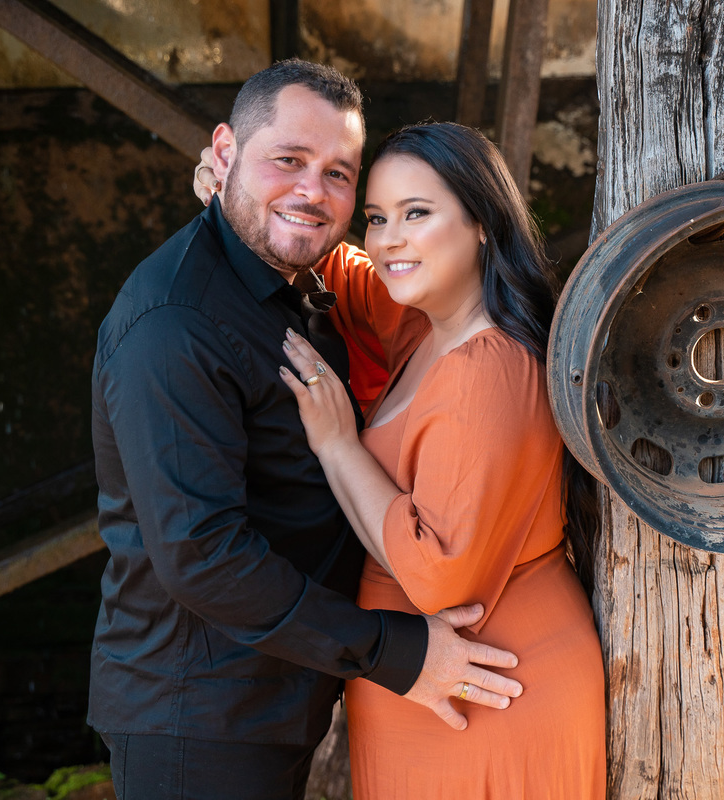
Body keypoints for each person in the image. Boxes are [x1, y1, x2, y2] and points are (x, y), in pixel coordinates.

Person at [89, 60, 523, 800]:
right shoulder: (176, 326)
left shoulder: (297, 283)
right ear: (222, 155)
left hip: (270, 703)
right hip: (199, 718)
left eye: (338, 174)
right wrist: (398, 653)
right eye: (288, 160)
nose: (312, 192)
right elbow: (202, 555)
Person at [275, 122, 608, 796]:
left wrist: (338, 446)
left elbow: (440, 579)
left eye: (417, 214)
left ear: (482, 222)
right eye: (376, 217)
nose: (388, 238)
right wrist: (242, 192)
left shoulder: (488, 368)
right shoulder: (423, 323)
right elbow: (337, 264)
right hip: (438, 692)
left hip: (494, 692)